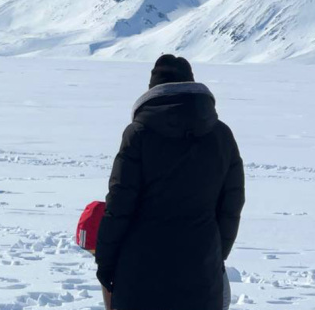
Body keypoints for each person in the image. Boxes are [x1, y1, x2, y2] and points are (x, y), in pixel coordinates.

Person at [94, 54, 245, 310]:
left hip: (139, 275)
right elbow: (231, 206)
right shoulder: (221, 135)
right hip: (201, 272)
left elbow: (119, 204)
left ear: (152, 90)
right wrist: (213, 255)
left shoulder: (138, 134)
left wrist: (106, 265)